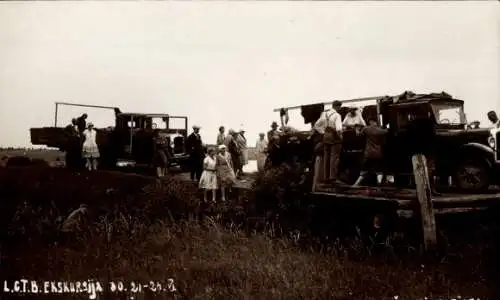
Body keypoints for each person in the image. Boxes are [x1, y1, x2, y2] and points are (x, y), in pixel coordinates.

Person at [313, 100, 344, 185]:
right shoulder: (337, 115)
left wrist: (323, 132)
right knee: (334, 157)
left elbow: (316, 125)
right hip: (334, 136)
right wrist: (341, 137)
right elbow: (338, 129)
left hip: (325, 136)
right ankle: (333, 178)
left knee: (327, 157)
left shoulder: (324, 114)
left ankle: (326, 177)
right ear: (338, 107)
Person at [353, 119, 388, 187]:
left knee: (364, 169)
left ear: (370, 121)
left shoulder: (366, 129)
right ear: (376, 122)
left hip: (369, 153)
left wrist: (356, 129)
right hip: (378, 153)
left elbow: (358, 135)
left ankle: (356, 184)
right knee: (379, 170)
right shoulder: (381, 131)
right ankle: (379, 184)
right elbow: (385, 138)